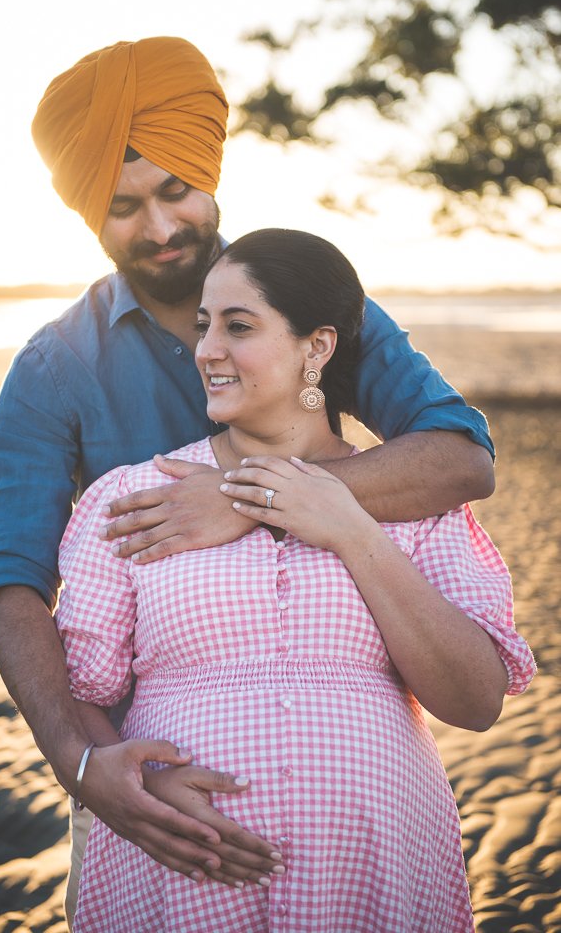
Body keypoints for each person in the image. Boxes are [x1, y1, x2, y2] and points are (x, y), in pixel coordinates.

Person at [0, 38, 497, 917]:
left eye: (175, 190)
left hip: (368, 806)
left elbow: (459, 455)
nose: (160, 226)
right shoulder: (53, 367)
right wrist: (86, 765)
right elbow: (14, 577)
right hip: (154, 789)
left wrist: (246, 498)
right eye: (124, 207)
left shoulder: (314, 307)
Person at [55, 227, 535, 932]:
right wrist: (136, 785)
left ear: (317, 347)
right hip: (182, 871)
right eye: (203, 326)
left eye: (238, 326)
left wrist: (347, 525)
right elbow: (77, 693)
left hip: (376, 868)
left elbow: (475, 701)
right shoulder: (136, 499)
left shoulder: (416, 506)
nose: (207, 349)